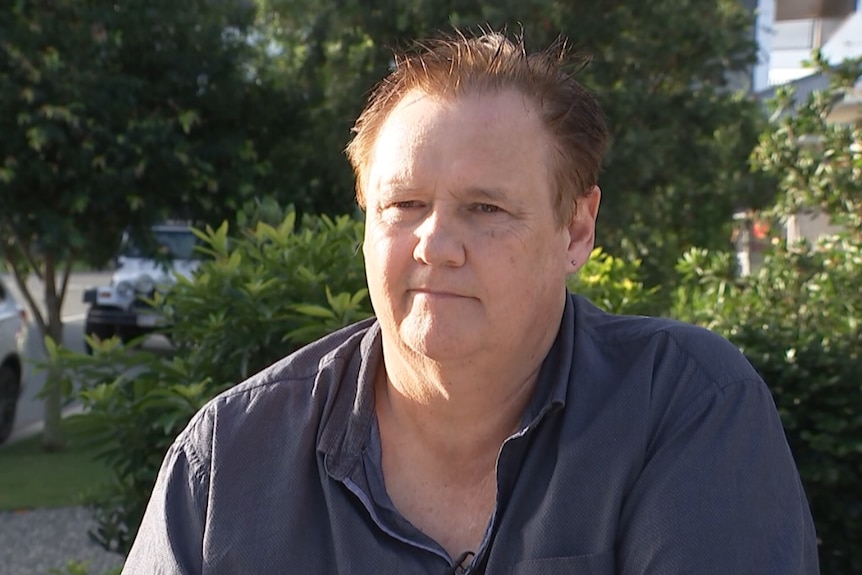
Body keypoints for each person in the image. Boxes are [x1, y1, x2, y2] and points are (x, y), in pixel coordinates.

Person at [123, 30, 819, 574]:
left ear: (576, 229)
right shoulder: (227, 463)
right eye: (405, 205)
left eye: (485, 207)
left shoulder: (686, 407)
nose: (436, 245)